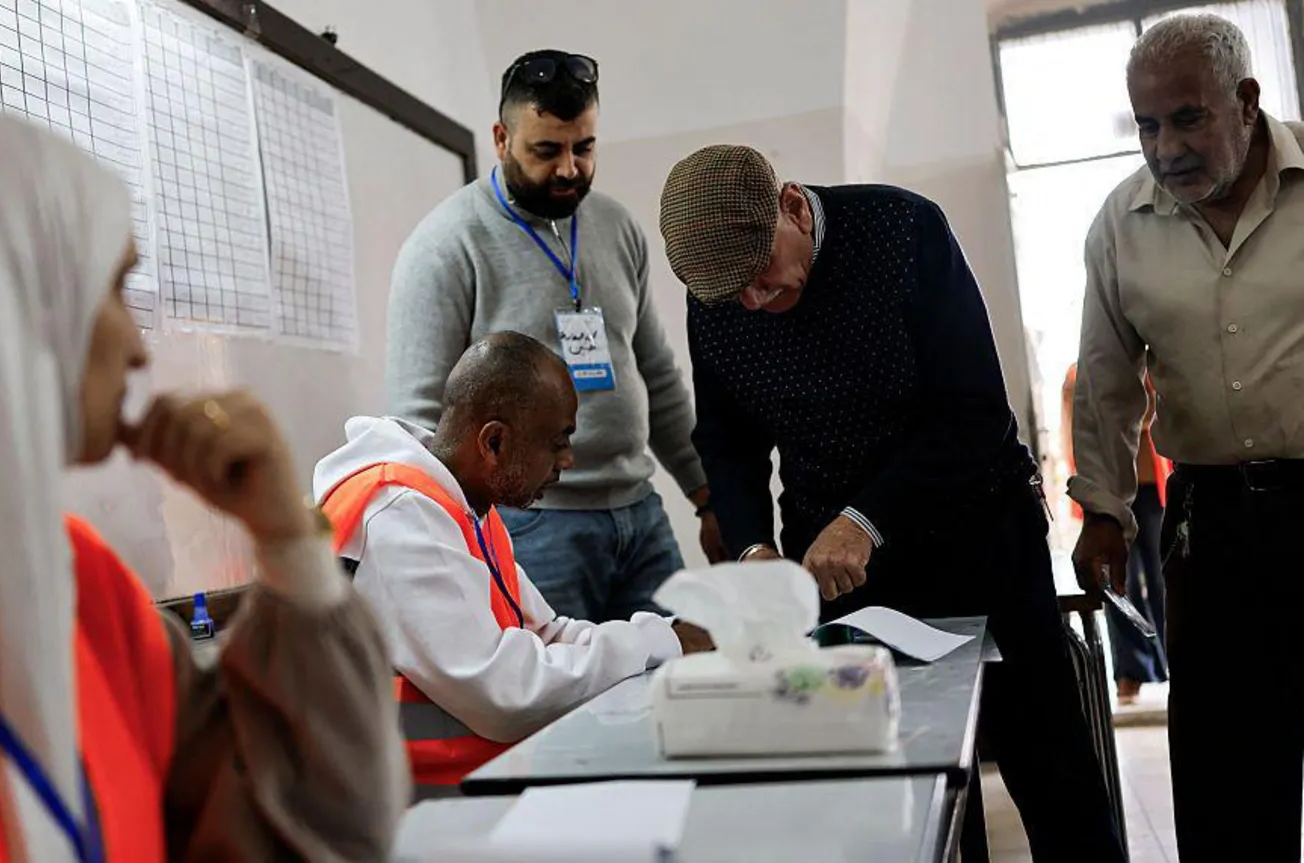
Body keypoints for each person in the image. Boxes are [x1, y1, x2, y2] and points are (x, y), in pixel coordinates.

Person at [0, 104, 407, 861]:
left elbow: (314, 832)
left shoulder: (74, 579)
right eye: (114, 288)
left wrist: (292, 550)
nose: (138, 348)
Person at [658, 144, 1125, 862]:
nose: (752, 301)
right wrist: (754, 548)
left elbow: (972, 412)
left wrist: (865, 517)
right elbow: (727, 440)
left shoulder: (903, 231)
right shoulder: (717, 295)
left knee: (1046, 759)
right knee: (882, 778)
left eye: (761, 275)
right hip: (837, 568)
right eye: (733, 295)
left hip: (978, 532)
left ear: (789, 204)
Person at [1070, 14, 1304, 860]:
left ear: (1246, 101)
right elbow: (1104, 378)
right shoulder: (1121, 224)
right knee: (1229, 779)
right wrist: (1102, 510)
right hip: (1213, 525)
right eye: (1145, 124)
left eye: (1187, 118)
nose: (1164, 148)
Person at [384, 49, 724, 623]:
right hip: (530, 525)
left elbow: (658, 375)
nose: (569, 169)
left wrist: (705, 495)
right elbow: (420, 418)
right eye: (547, 150)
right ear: (500, 138)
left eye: (584, 148)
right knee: (561, 705)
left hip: (640, 514)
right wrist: (461, 540)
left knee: (680, 684)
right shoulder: (446, 245)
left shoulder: (617, 227)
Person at [314, 332, 714, 800]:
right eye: (559, 441)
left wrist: (667, 633)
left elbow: (543, 633)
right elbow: (505, 693)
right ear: (495, 442)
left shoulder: (461, 505)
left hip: (463, 786)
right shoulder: (400, 517)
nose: (567, 460)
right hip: (402, 807)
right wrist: (656, 642)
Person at [1061, 363, 1169, 707]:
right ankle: (1130, 671)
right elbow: (1076, 433)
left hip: (1154, 487)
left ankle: (1169, 661)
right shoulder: (1080, 376)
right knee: (1116, 584)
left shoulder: (1155, 367)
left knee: (1162, 578)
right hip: (1112, 497)